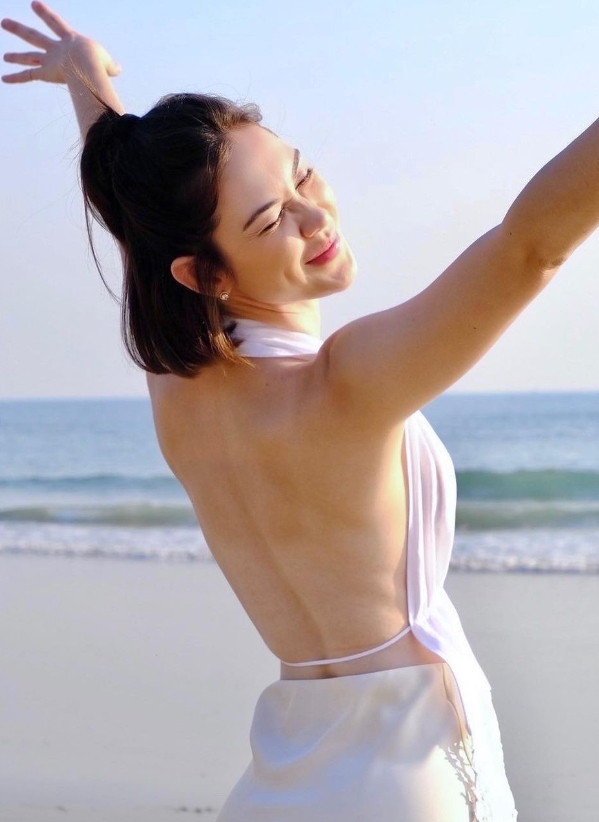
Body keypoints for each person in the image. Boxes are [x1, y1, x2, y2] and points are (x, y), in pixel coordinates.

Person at [3, 3, 598, 820]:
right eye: (271, 218)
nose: (314, 217)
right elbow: (528, 248)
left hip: (285, 768)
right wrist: (86, 78)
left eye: (301, 175)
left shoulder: (175, 387)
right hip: (413, 772)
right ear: (205, 273)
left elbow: (141, 223)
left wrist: (87, 78)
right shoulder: (342, 385)